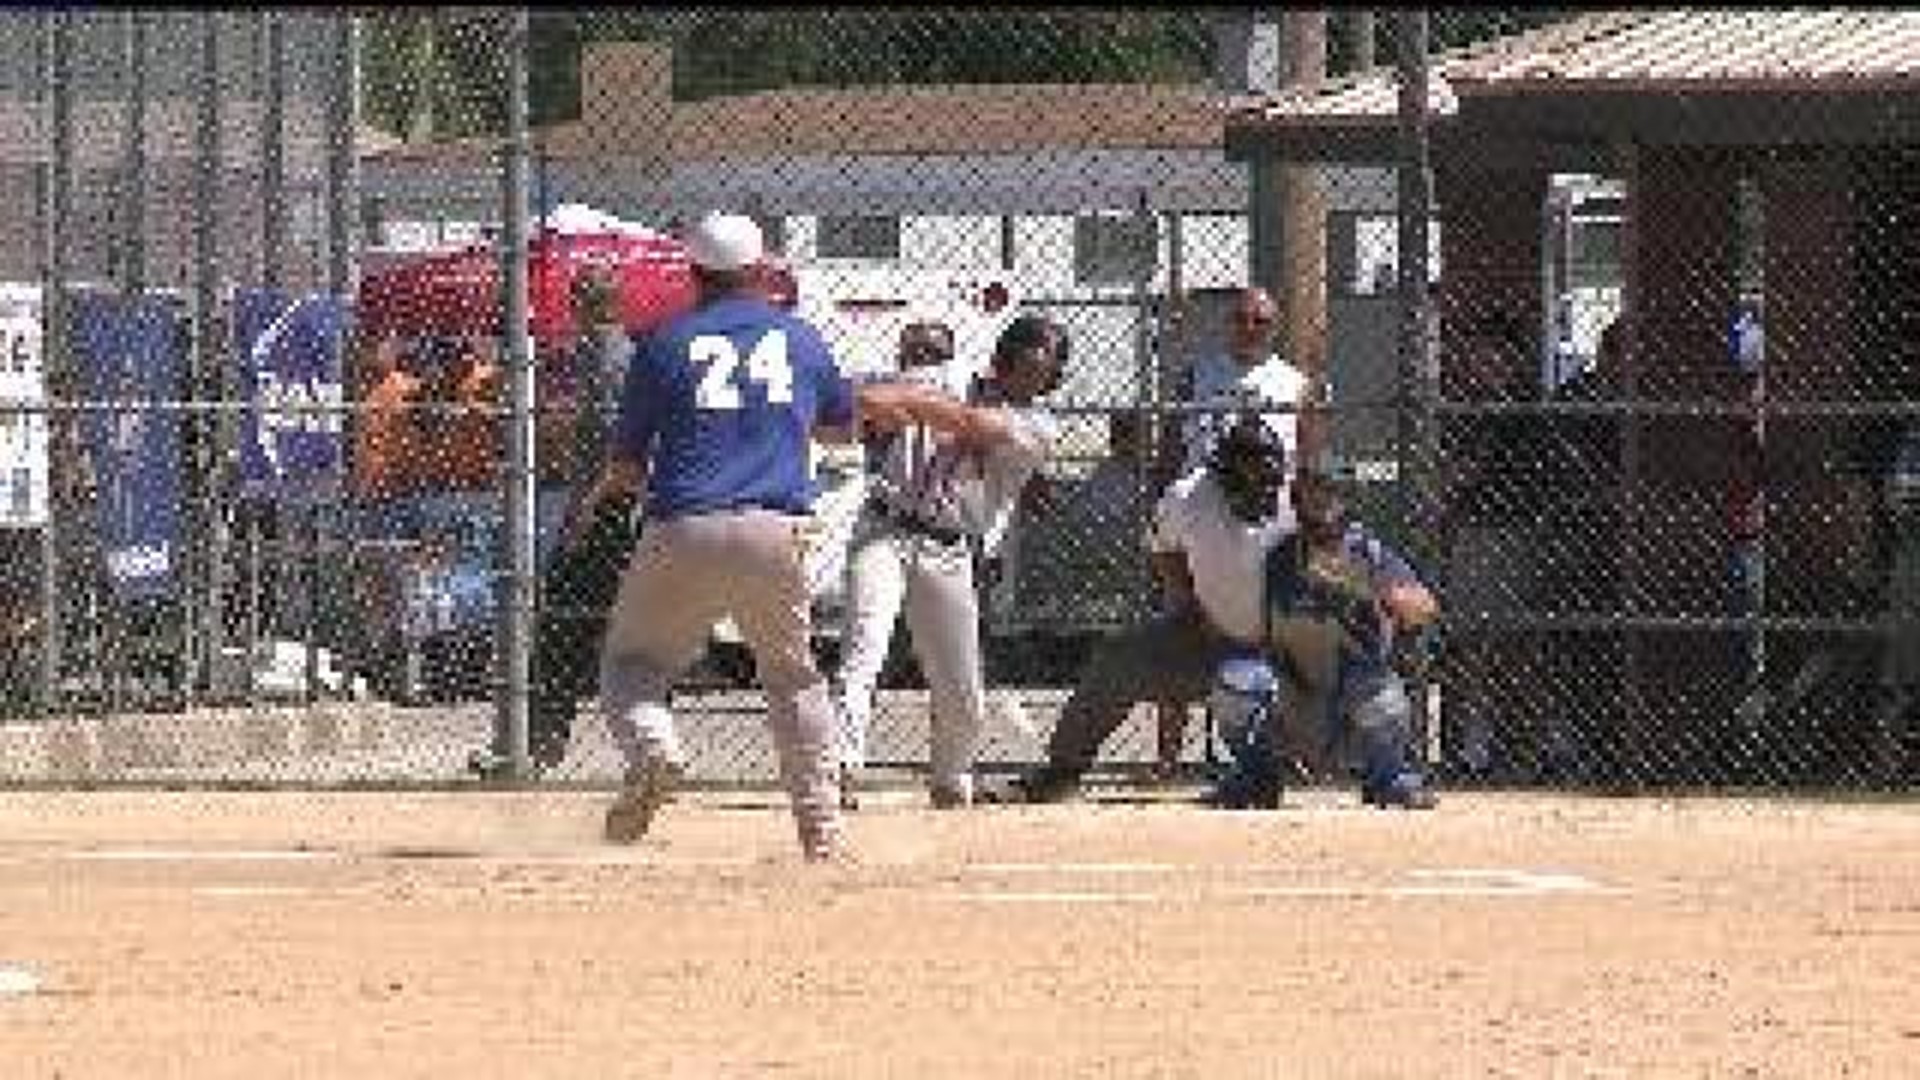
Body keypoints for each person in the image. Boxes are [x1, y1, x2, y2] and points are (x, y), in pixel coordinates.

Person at [563, 211, 1006, 861]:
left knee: (632, 668)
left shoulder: (663, 343)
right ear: (758, 271)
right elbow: (833, 429)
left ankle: (656, 748)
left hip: (683, 523)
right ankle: (820, 832)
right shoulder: (797, 339)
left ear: (694, 272)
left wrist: (600, 498)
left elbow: (628, 467)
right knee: (793, 678)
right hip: (777, 529)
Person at [1005, 414, 1438, 809]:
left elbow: (1407, 595)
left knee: (1363, 695)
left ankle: (1386, 776)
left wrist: (1376, 593)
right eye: (1248, 486)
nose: (1263, 496)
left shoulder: (1303, 508)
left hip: (1300, 658)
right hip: (1218, 641)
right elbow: (1163, 548)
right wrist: (1188, 601)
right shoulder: (1188, 498)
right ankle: (1061, 771)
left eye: (1272, 484)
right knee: (1122, 659)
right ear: (1219, 476)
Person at [833, 314, 1067, 809]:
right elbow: (861, 397)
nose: (1032, 381)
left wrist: (916, 404)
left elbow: (976, 425)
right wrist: (897, 405)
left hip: (949, 548)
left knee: (961, 687)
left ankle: (951, 779)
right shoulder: (947, 377)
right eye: (1026, 367)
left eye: (1044, 374)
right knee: (864, 649)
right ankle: (839, 771)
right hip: (885, 528)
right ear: (1004, 357)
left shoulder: (1040, 426)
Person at [1206, 463, 1442, 809]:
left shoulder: (1368, 552)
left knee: (1383, 697)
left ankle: (1388, 779)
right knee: (1236, 681)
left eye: (1329, 494)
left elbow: (1425, 607)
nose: (1320, 504)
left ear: (1347, 501)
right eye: (1311, 494)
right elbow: (1255, 630)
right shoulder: (1280, 556)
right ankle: (1257, 779)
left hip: (1351, 699)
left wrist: (1366, 588)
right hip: (1293, 690)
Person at [1168, 286, 1317, 525]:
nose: (1249, 328)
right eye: (1241, 319)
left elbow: (1307, 454)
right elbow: (1172, 442)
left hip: (1268, 505)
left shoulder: (1294, 383)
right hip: (1204, 501)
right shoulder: (1196, 374)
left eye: (1260, 321)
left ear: (1275, 328)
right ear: (1228, 323)